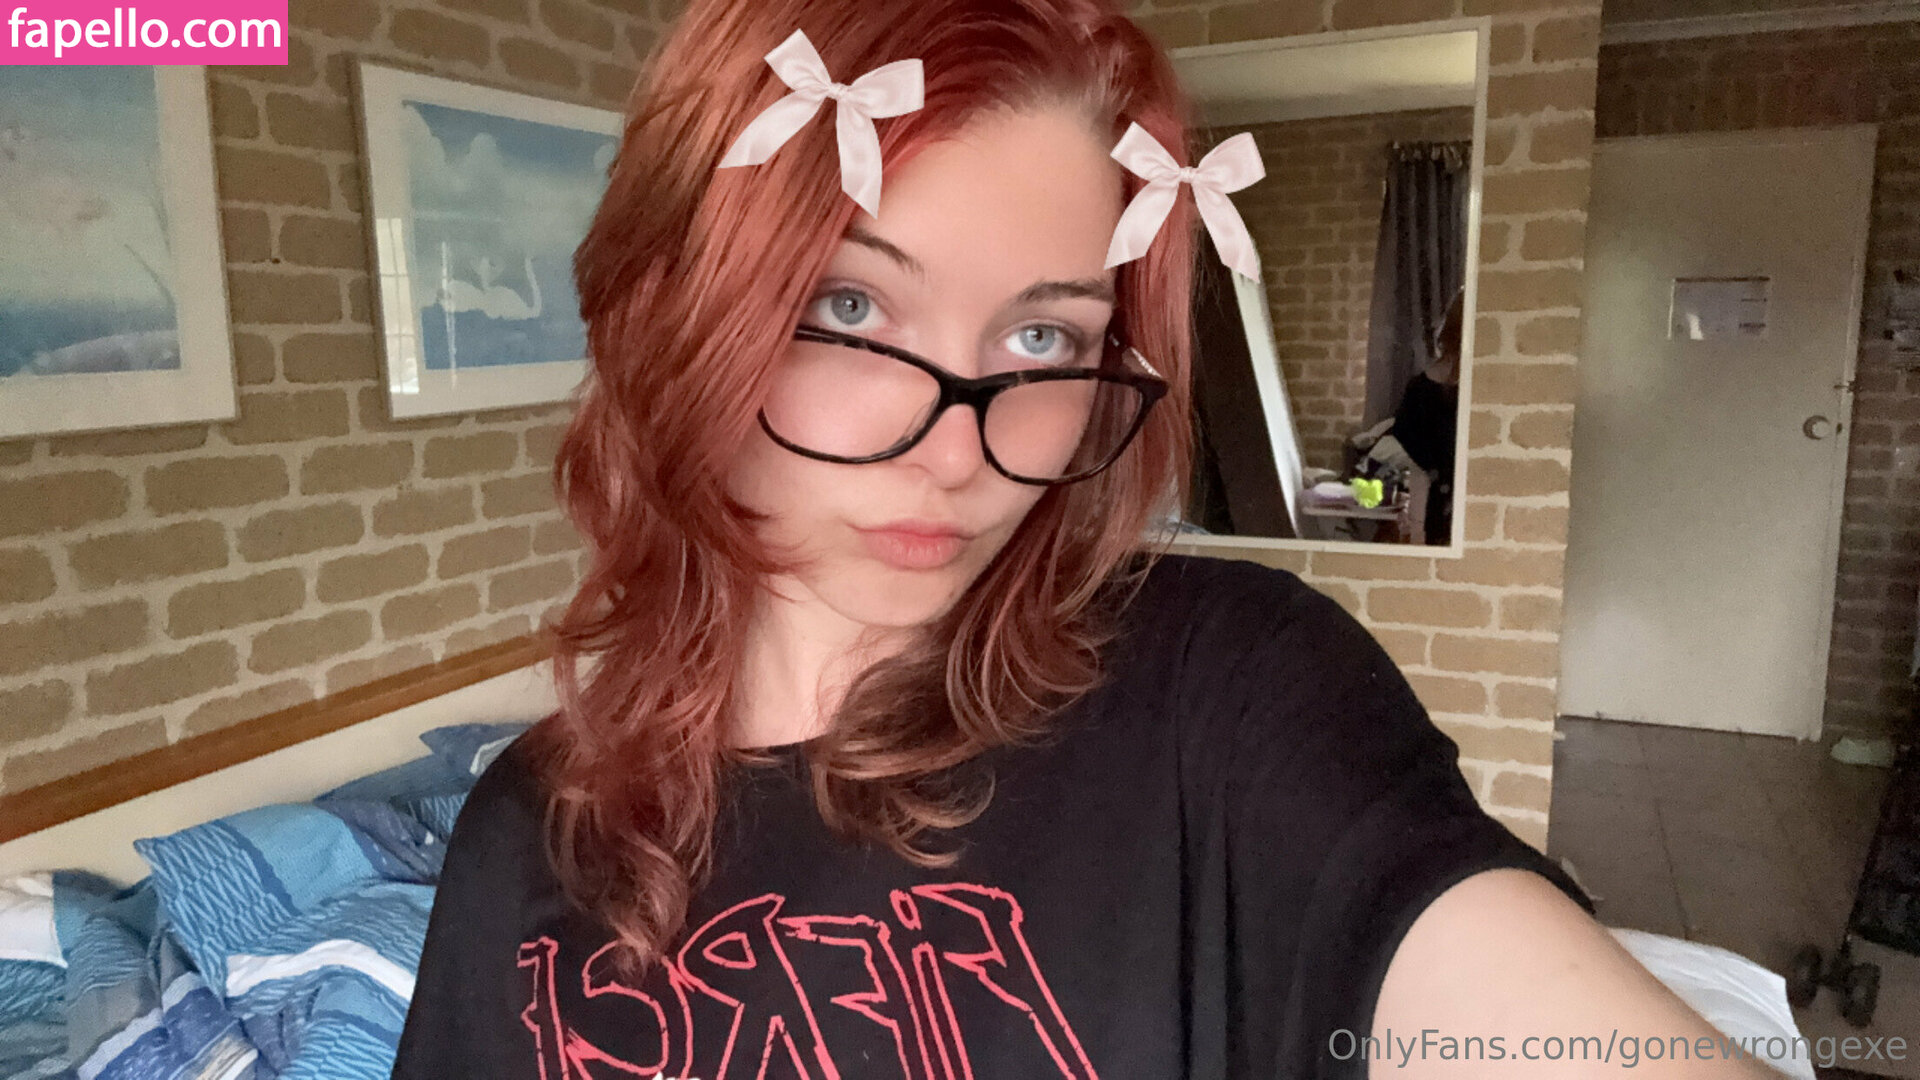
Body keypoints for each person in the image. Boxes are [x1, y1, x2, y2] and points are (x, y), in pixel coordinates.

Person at [391, 1, 1777, 1077]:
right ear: (674, 313)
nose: (957, 451)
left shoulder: (1228, 693)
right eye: (851, 311)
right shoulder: (527, 833)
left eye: (1045, 340)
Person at [1390, 288, 1464, 544]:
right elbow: (1405, 431)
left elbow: (1404, 431)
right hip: (1433, 497)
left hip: (1433, 494)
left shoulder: (1421, 387)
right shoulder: (1423, 389)